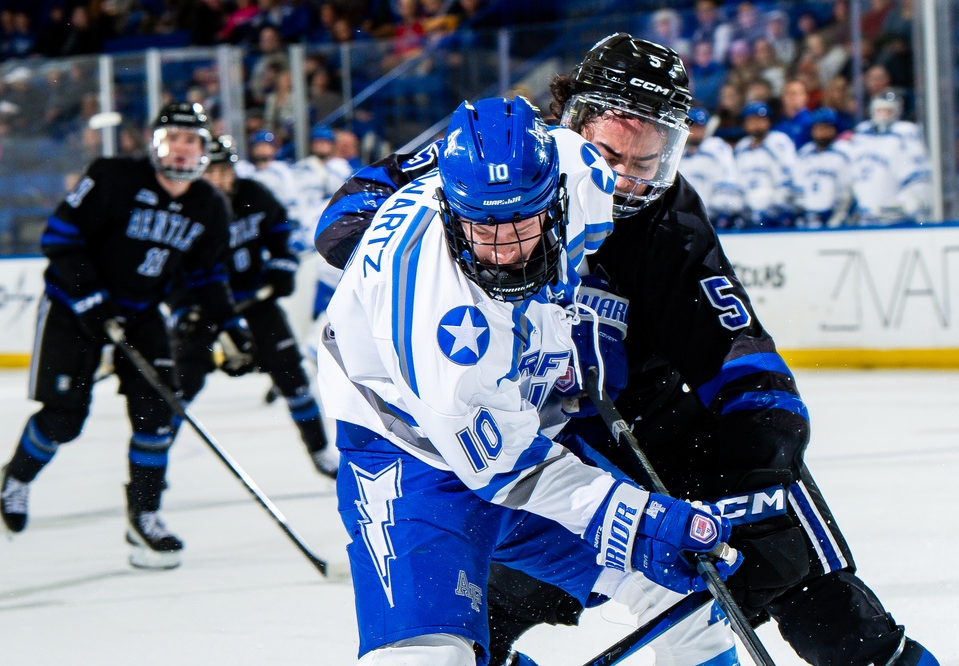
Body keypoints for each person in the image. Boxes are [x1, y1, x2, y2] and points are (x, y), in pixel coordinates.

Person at [315, 33, 941, 666]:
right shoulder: (505, 163)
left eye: (647, 162)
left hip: (657, 430)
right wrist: (442, 268)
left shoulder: (666, 219)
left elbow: (740, 360)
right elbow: (343, 220)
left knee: (826, 611)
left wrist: (760, 479)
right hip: (545, 443)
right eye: (609, 153)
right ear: (570, 119)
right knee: (482, 621)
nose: (622, 179)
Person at [317, 95, 739, 666]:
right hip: (408, 457)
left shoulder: (582, 168)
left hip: (521, 424)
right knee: (424, 660)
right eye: (482, 229)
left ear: (556, 195)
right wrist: (642, 519)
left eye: (523, 222)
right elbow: (504, 466)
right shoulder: (439, 314)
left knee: (684, 602)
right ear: (449, 207)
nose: (505, 252)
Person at [0, 102, 255, 570]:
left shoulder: (209, 205)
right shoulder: (113, 177)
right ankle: (17, 476)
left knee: (159, 413)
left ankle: (145, 515)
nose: (181, 148)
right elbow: (58, 238)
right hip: (72, 306)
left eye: (191, 140)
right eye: (172, 137)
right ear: (154, 142)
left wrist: (232, 326)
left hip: (139, 314)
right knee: (64, 418)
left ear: (204, 149)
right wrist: (89, 296)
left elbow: (204, 278)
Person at [170, 135, 338, 478]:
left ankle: (320, 451)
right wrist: (182, 308)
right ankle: (155, 464)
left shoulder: (254, 195)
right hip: (208, 307)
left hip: (255, 300)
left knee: (292, 375)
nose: (218, 179)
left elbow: (282, 235)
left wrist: (280, 270)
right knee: (180, 385)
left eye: (223, 170)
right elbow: (171, 267)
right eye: (210, 171)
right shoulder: (187, 206)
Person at [848, 91, 931, 226]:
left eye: (888, 110)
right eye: (879, 110)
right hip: (863, 216)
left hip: (895, 218)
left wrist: (906, 202)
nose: (883, 114)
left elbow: (918, 175)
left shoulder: (905, 132)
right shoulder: (861, 133)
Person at [733, 100, 798, 227]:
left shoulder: (779, 142)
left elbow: (788, 178)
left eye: (760, 119)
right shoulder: (741, 147)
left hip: (775, 213)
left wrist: (776, 208)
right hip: (747, 213)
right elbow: (737, 181)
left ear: (768, 121)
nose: (756, 124)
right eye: (751, 120)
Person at [679, 107, 744, 229]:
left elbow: (727, 180)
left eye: (699, 127)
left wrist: (720, 211)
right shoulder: (679, 152)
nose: (695, 131)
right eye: (692, 127)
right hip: (685, 219)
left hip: (712, 218)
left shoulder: (717, 148)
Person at [792, 107, 854, 228]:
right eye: (818, 128)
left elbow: (848, 190)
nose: (821, 132)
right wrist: (801, 212)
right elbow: (797, 187)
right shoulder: (804, 153)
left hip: (835, 216)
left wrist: (839, 214)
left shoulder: (844, 152)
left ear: (834, 129)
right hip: (809, 217)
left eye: (826, 128)